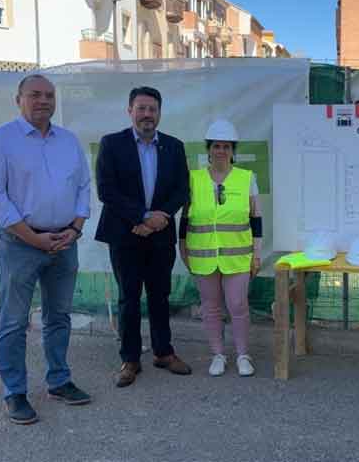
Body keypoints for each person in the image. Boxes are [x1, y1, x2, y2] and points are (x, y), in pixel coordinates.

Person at [0, 74, 92, 424]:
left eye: (49, 95)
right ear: (18, 99)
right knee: (14, 321)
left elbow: (84, 187)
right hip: (20, 245)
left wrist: (75, 228)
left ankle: (58, 380)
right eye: (35, 95)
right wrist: (31, 237)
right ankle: (14, 392)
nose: (43, 101)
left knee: (58, 317)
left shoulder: (69, 141)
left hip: (64, 241)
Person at [95, 86, 191, 388]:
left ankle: (164, 352)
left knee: (160, 296)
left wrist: (156, 218)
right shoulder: (112, 144)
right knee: (129, 299)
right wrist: (141, 217)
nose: (147, 114)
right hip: (125, 234)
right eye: (141, 108)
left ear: (159, 113)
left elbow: (181, 190)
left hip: (160, 235)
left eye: (152, 109)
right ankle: (131, 359)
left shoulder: (174, 147)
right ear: (130, 111)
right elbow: (106, 190)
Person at [178, 119, 262, 377]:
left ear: (232, 150)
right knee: (211, 306)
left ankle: (243, 355)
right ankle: (218, 354)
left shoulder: (247, 178)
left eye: (226, 146)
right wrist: (183, 250)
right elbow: (185, 219)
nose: (221, 151)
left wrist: (256, 254)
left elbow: (256, 219)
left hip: (238, 257)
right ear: (208, 149)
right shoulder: (194, 179)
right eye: (216, 146)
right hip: (202, 256)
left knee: (238, 305)